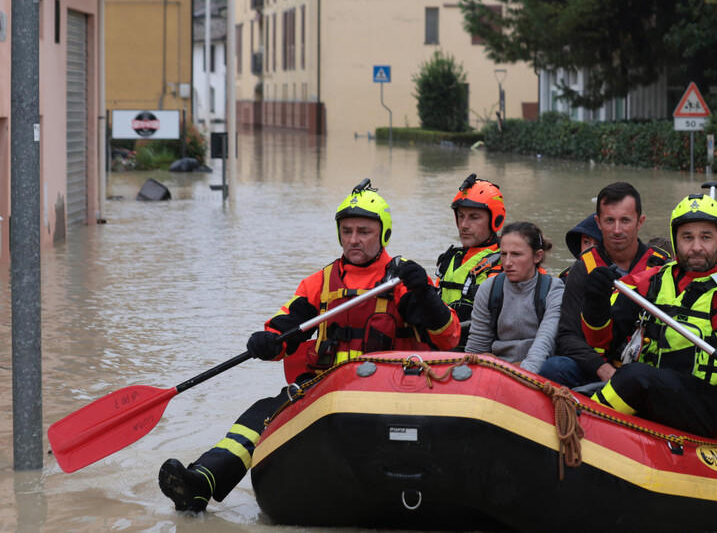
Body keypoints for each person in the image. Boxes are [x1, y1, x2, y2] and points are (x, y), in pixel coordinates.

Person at [158, 180, 459, 514]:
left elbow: (446, 338)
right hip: (324, 388)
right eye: (346, 231)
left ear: (383, 234)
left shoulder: (403, 280)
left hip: (387, 389)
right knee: (263, 412)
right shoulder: (321, 282)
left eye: (364, 231)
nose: (353, 240)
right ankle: (202, 482)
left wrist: (425, 294)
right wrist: (267, 341)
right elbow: (285, 327)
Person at [585, 194, 717, 437]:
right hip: (661, 393)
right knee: (572, 374)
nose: (696, 247)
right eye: (687, 237)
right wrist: (595, 302)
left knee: (635, 378)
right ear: (676, 241)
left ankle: (586, 427)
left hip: (715, 404)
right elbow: (600, 342)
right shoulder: (646, 283)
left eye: (706, 237)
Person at [539, 182, 671, 388]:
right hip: (598, 370)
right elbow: (567, 336)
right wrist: (603, 369)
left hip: (645, 371)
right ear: (598, 223)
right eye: (610, 220)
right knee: (554, 368)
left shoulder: (662, 266)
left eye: (625, 220)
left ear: (640, 222)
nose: (617, 230)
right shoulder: (583, 268)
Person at [465, 221, 564, 375]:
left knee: (557, 366)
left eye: (516, 254)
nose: (507, 263)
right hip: (497, 370)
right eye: (504, 254)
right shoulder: (488, 288)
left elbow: (544, 342)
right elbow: (476, 348)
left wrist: (520, 375)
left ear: (537, 256)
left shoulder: (554, 289)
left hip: (539, 371)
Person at [434, 173, 506, 347]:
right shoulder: (449, 260)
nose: (464, 225)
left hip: (479, 350)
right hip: (444, 345)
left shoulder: (507, 262)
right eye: (461, 216)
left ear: (495, 219)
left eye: (474, 217)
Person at [557, 213, 602, 282]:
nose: (591, 249)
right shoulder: (566, 279)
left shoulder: (621, 279)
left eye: (598, 244)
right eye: (586, 242)